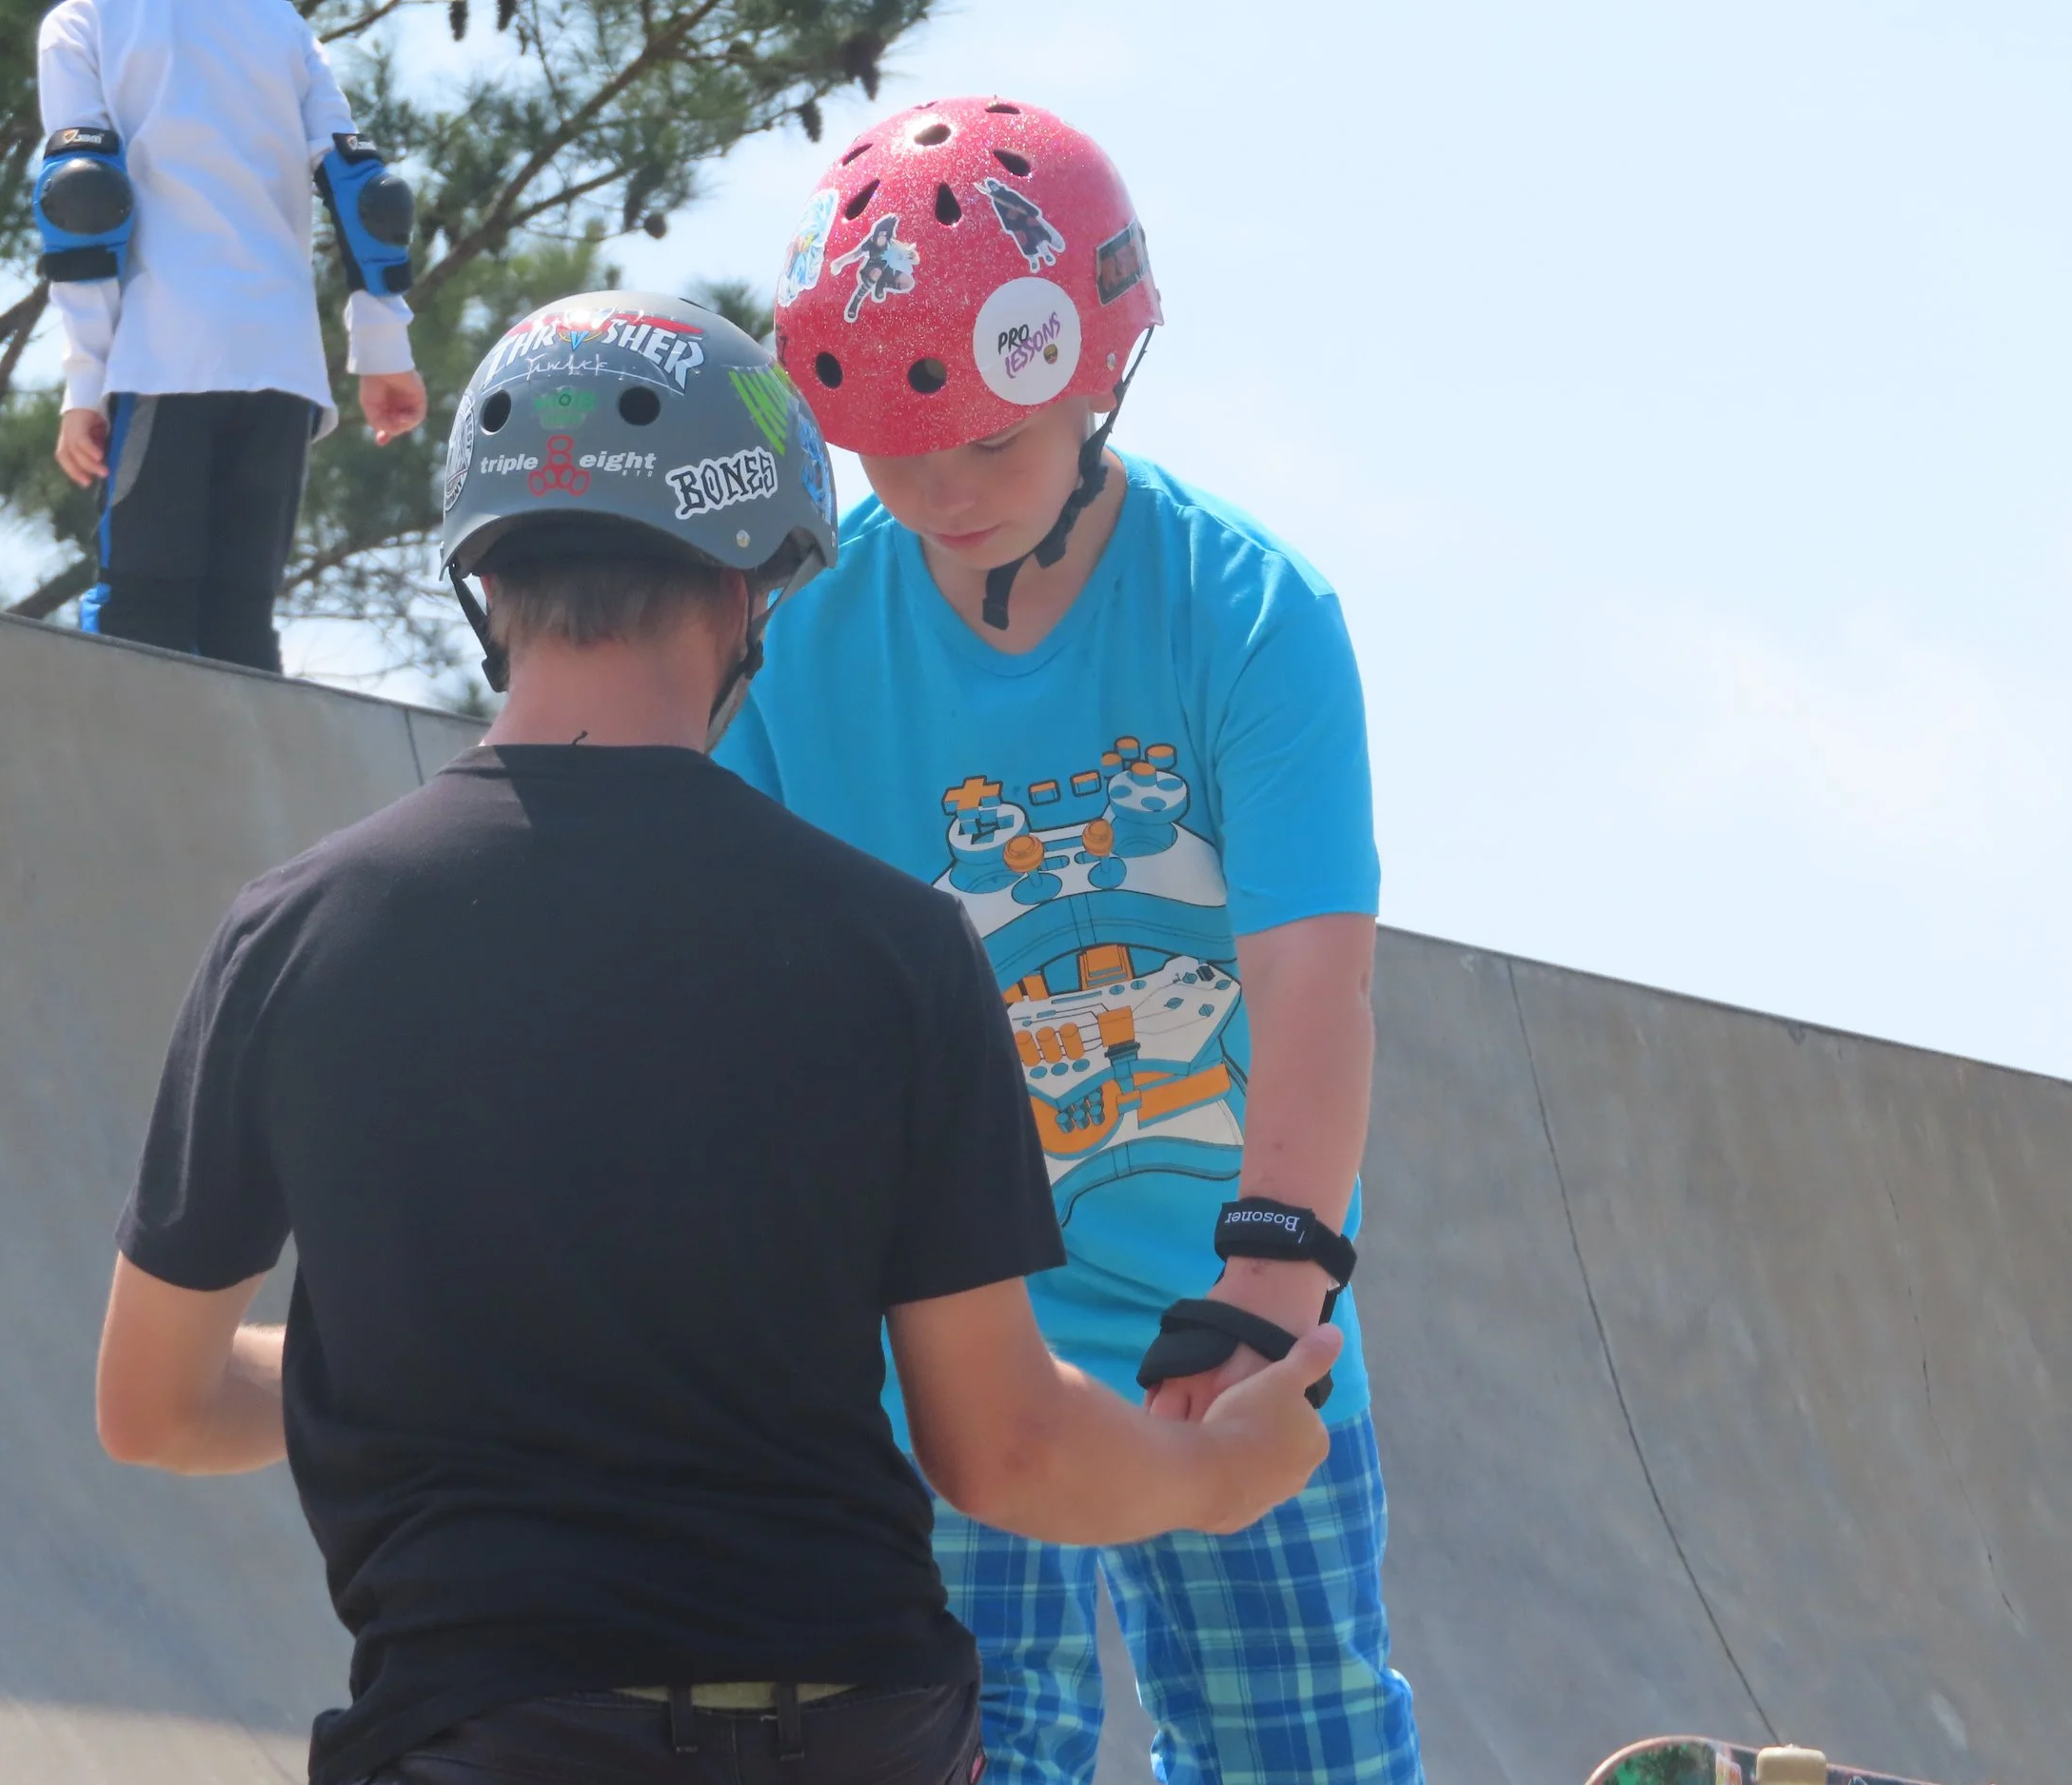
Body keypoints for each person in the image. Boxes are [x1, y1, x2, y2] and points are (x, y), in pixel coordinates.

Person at [92, 291, 1342, 1785]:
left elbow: (153, 1402)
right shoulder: (897, 947)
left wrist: (435, 1355)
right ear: (756, 587)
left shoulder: (295, 934)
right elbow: (1001, 1446)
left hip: (489, 1733)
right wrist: (1215, 1470)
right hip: (850, 1731)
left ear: (483, 581)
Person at [718, 100, 1425, 1785]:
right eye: (900, 455)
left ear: (1095, 388)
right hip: (950, 1350)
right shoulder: (803, 641)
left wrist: (1268, 1284)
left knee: (1301, 1748)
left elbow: (1314, 985)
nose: (945, 496)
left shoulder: (1247, 612)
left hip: (1229, 1312)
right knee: (979, 1748)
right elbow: (716, 975)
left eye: (992, 447)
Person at [35, 0, 428, 672]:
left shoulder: (83, 21)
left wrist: (86, 382)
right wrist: (384, 350)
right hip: (284, 372)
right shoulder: (281, 24)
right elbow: (368, 193)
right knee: (240, 629)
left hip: (166, 357)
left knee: (141, 619)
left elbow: (83, 198)